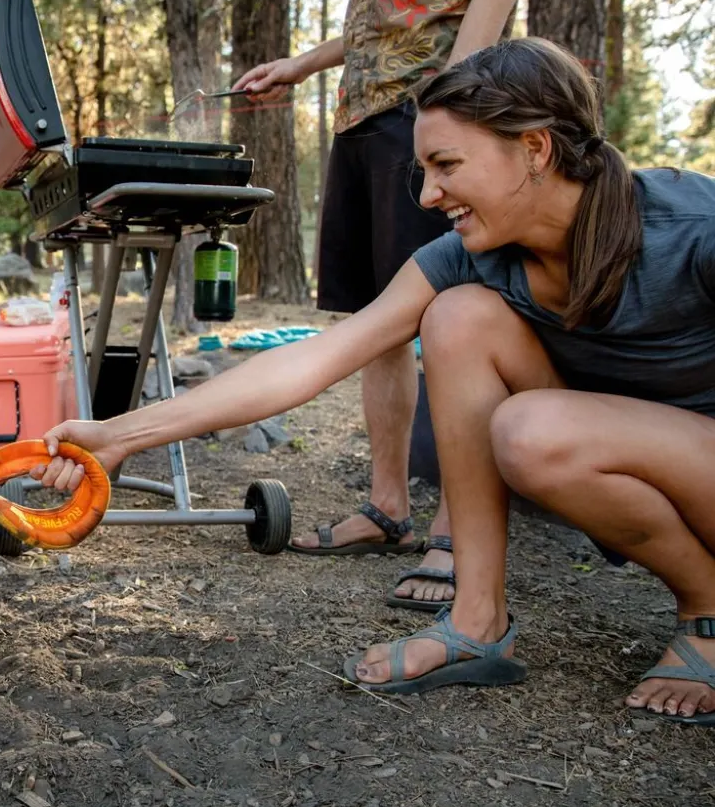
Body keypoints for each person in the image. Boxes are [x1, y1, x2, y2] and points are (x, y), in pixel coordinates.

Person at [36, 38, 715, 725]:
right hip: (616, 463)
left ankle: (708, 612)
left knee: (531, 429)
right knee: (457, 318)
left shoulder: (692, 229)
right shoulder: (471, 258)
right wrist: (121, 434)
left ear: (535, 148)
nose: (428, 194)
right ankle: (476, 619)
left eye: (447, 165)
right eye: (423, 170)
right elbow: (319, 357)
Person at [232, 0, 533, 615]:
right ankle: (388, 507)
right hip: (361, 114)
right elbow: (384, 9)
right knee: (378, 318)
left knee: (452, 310)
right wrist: (303, 65)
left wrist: (450, 103)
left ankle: (458, 527)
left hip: (432, 109)